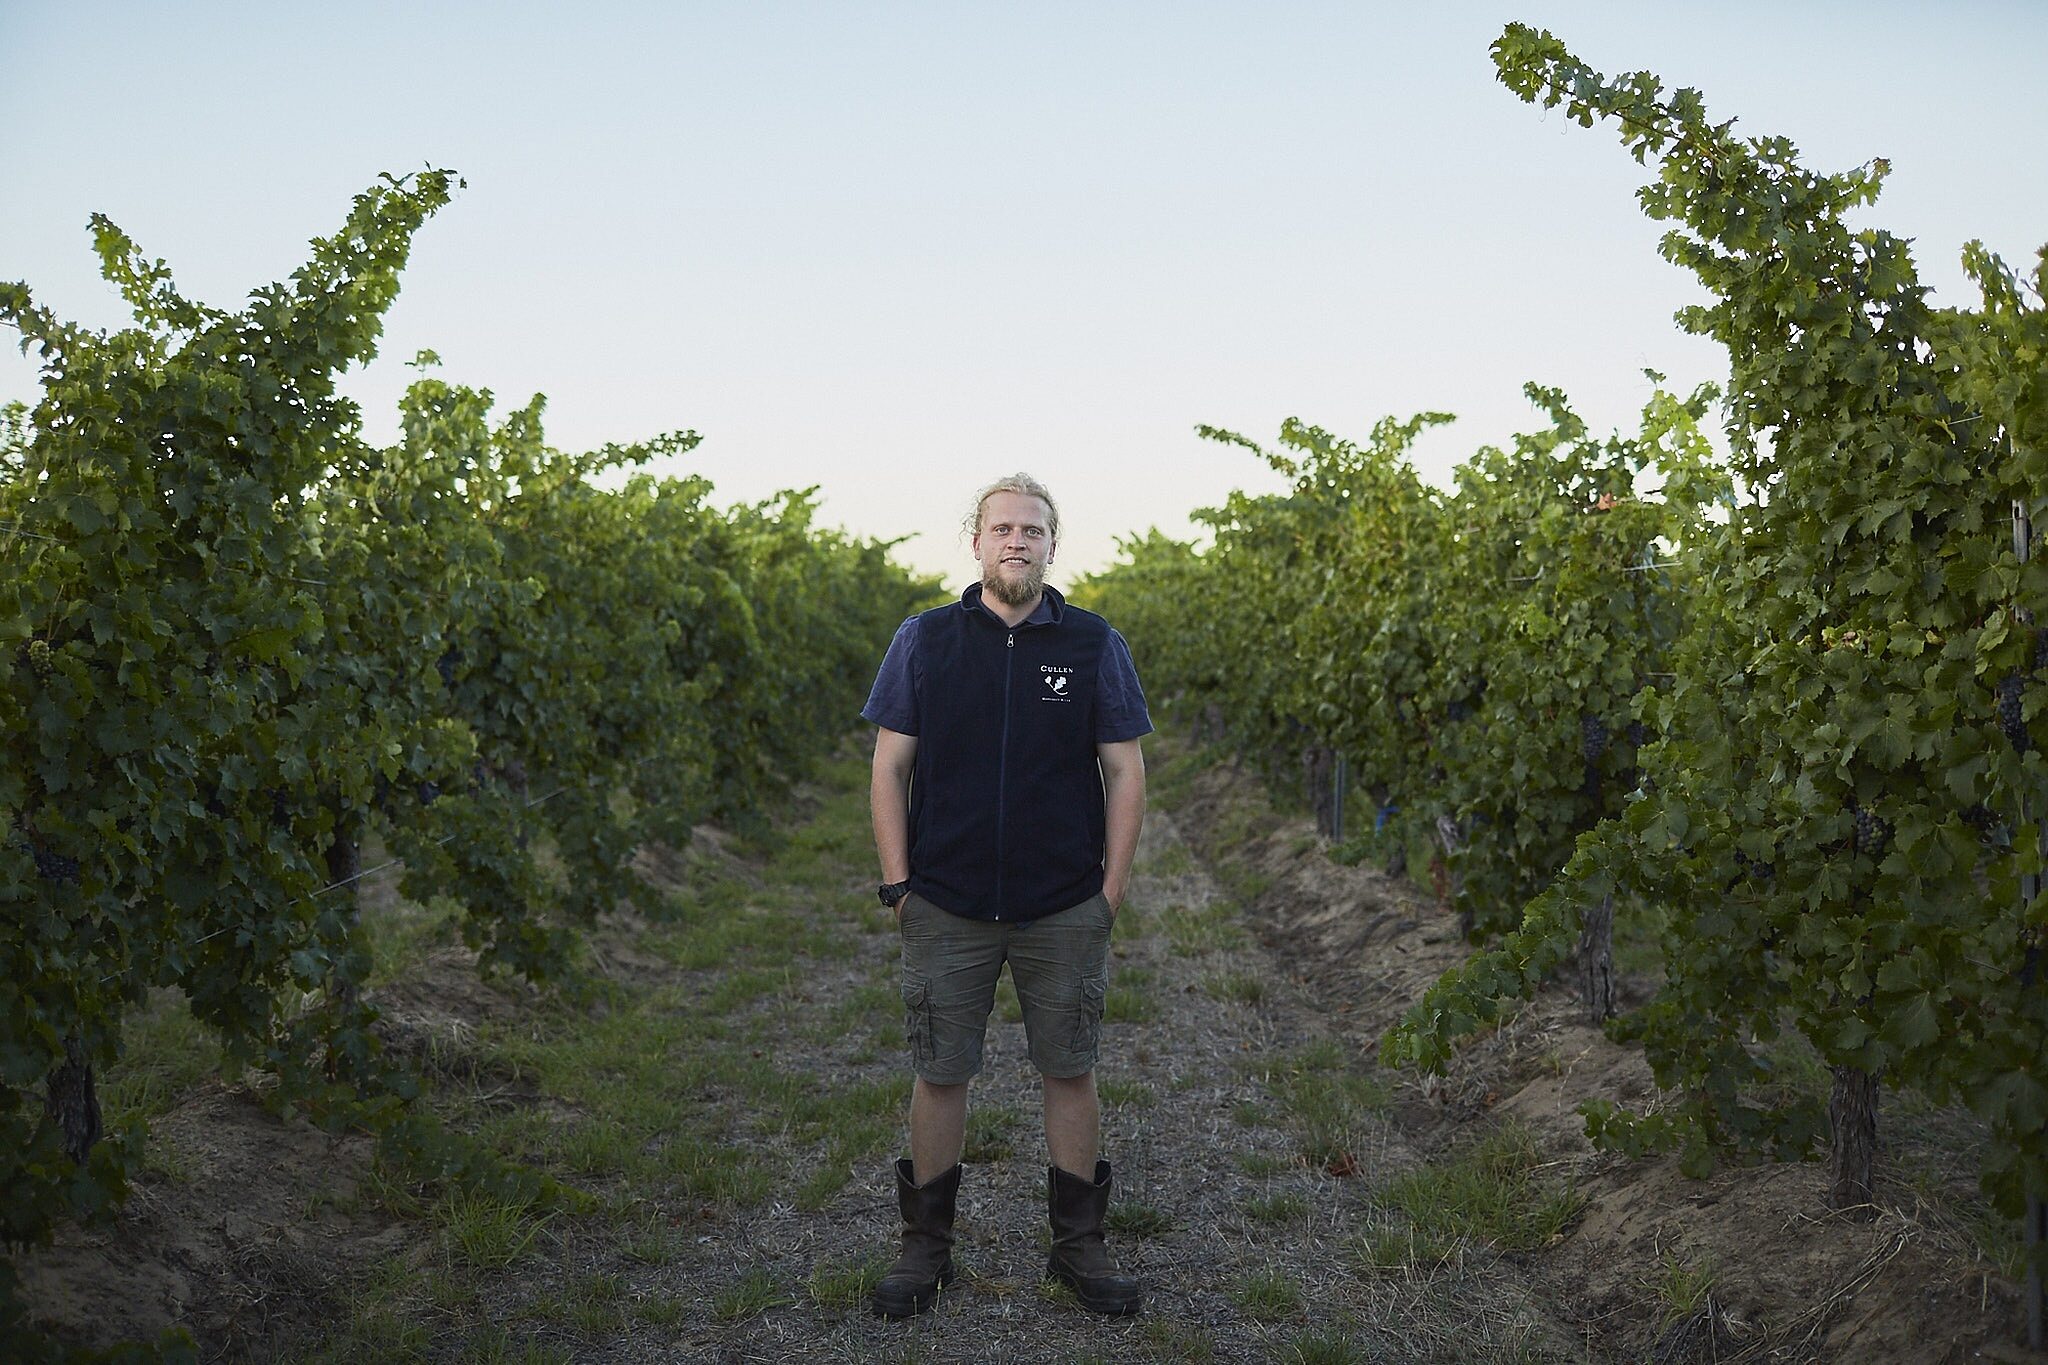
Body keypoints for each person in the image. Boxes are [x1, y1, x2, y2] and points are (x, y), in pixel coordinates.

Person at [860, 473, 1151, 1319]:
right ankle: (925, 1247)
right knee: (941, 1070)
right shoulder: (925, 640)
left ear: (1053, 545)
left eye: (1033, 529)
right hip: (945, 902)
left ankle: (1079, 1245)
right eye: (1002, 528)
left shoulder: (1094, 643)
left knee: (1069, 1065)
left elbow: (1126, 769)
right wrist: (900, 882)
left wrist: (1109, 890)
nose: (1016, 541)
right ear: (976, 541)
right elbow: (889, 765)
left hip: (1062, 903)